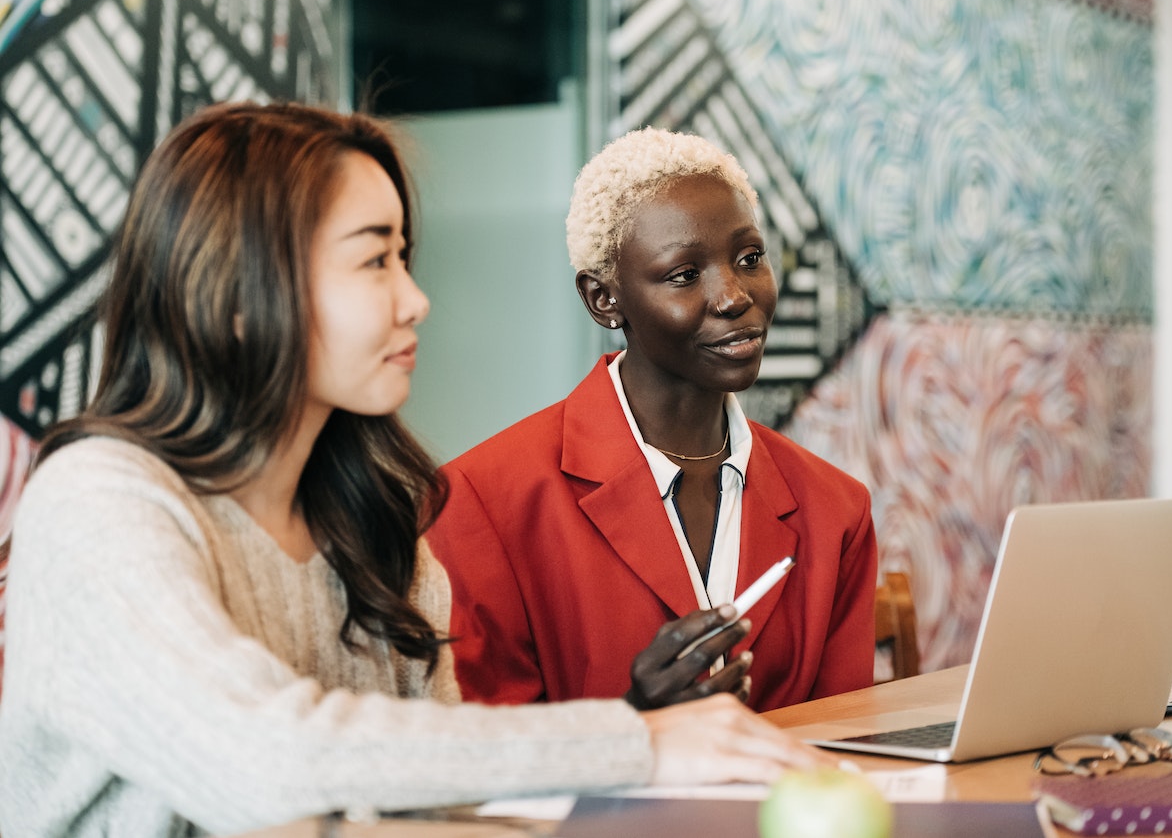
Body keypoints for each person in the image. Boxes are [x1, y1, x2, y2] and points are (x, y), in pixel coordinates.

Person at [0, 103, 833, 838]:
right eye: (373, 262)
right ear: (238, 293)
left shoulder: (372, 516)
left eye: (404, 256)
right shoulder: (96, 503)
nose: (415, 298)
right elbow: (269, 765)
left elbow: (439, 797)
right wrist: (638, 743)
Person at [427, 127, 879, 713]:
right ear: (603, 300)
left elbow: (845, 749)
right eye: (685, 275)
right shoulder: (481, 503)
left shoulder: (835, 511)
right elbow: (481, 767)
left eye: (749, 259)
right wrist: (631, 723)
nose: (733, 296)